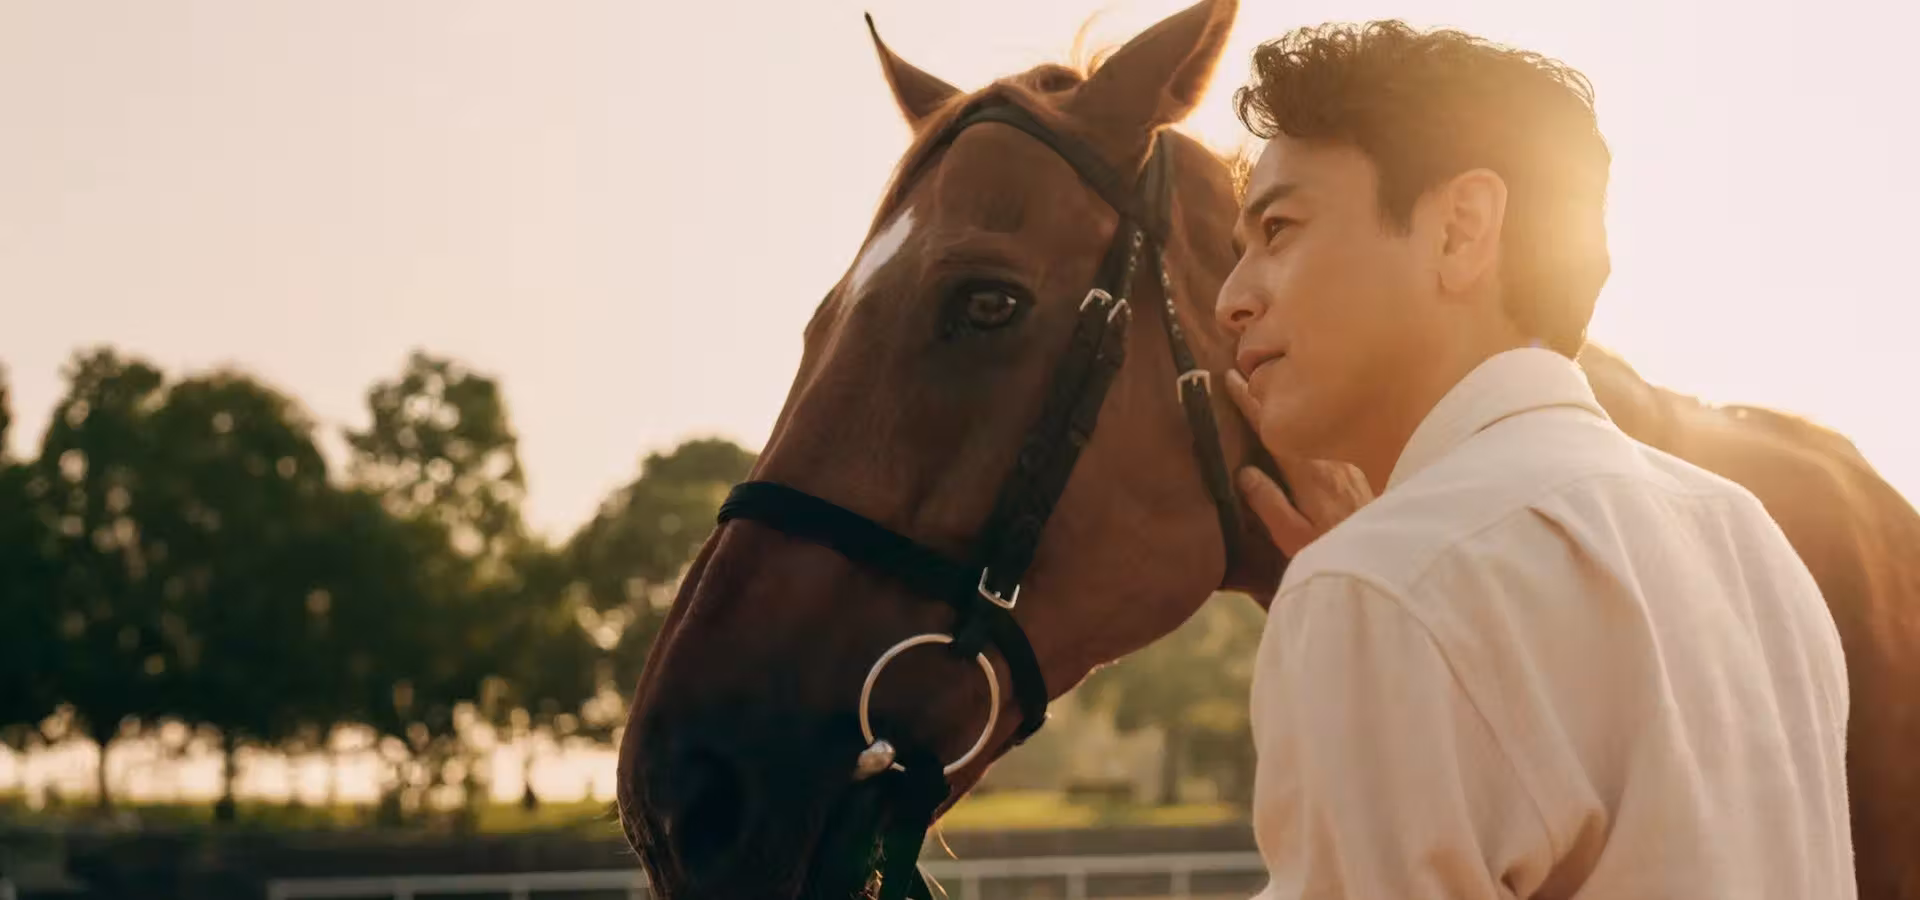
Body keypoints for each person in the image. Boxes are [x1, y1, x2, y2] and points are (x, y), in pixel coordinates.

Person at [1212, 20, 1857, 898]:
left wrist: (1383, 590)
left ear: (1460, 231)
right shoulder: (1747, 541)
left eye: (1278, 228)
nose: (1232, 299)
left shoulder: (1381, 587)